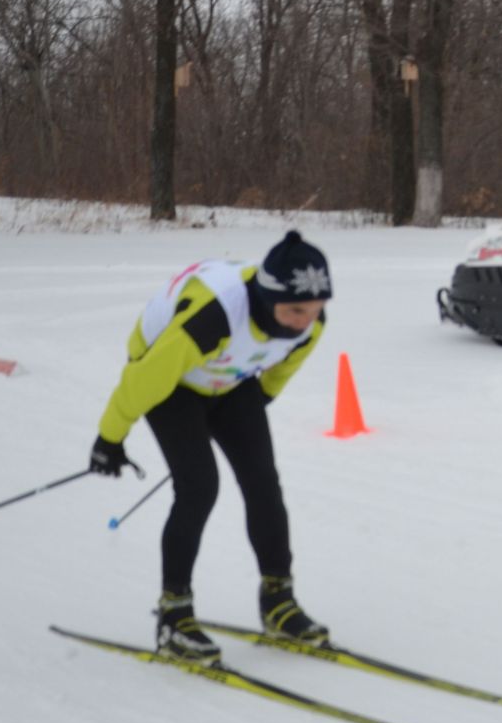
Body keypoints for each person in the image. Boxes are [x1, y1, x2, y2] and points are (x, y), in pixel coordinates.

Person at [88, 231, 333, 663]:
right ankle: (174, 616)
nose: (304, 320)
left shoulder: (310, 324)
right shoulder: (215, 315)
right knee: (199, 486)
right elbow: (145, 378)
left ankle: (278, 601)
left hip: (230, 380)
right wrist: (110, 438)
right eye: (296, 310)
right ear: (267, 295)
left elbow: (282, 368)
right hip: (169, 382)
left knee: (262, 481)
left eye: (314, 310)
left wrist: (253, 407)